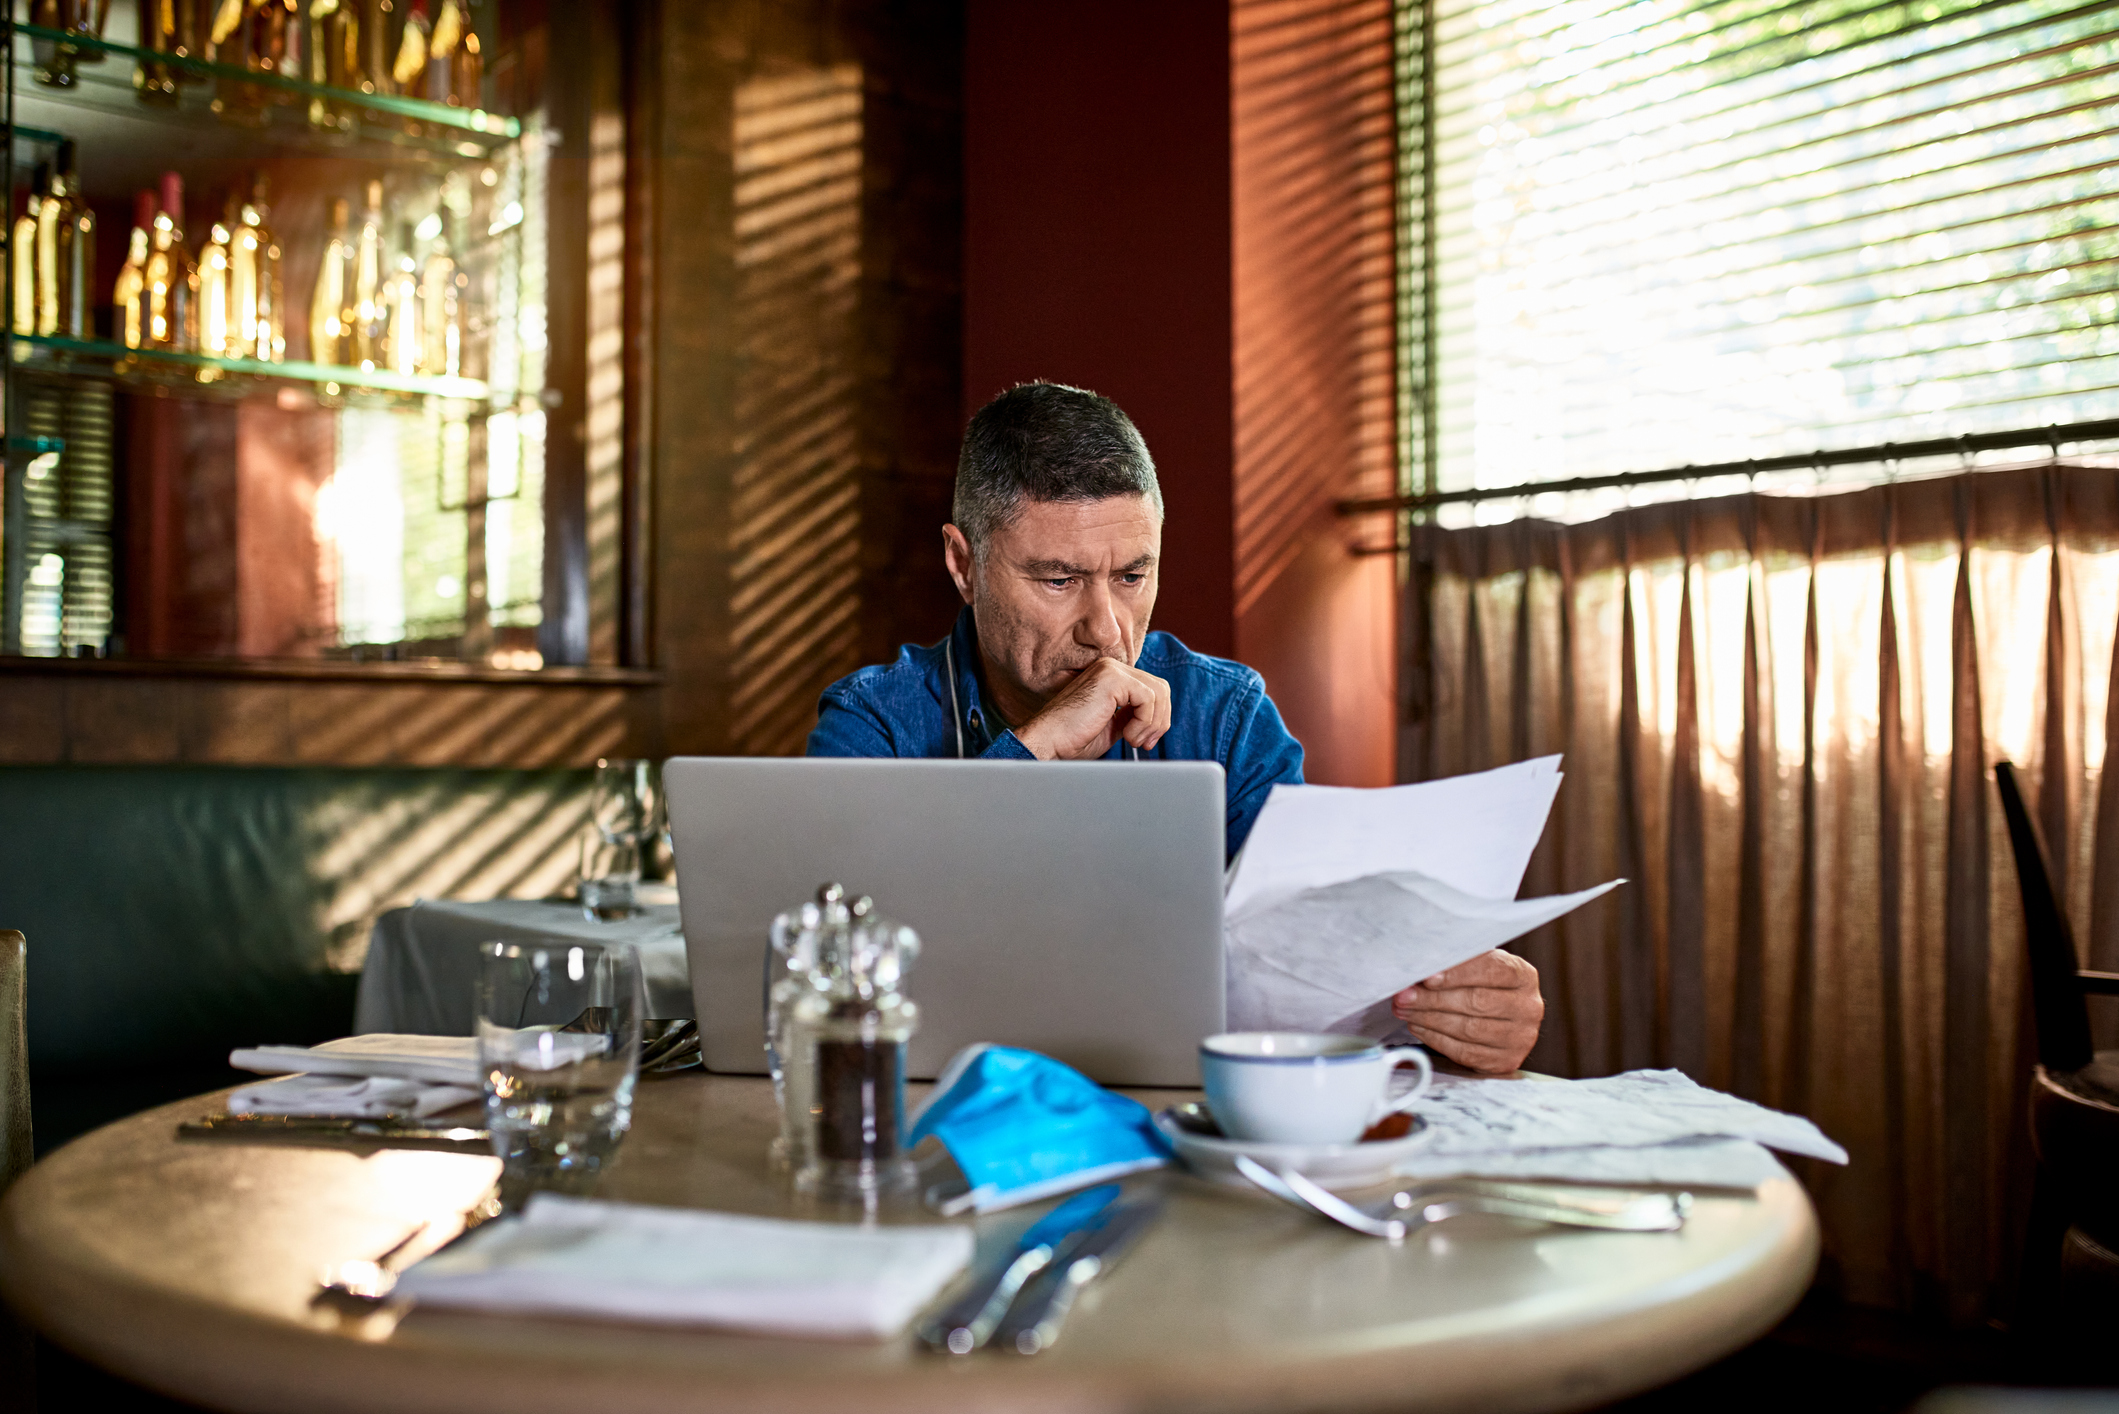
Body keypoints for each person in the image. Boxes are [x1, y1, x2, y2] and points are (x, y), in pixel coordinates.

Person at [807, 381, 1544, 1074]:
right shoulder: (873, 720)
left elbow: (1304, 968)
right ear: (964, 565)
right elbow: (831, 973)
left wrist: (1461, 1011)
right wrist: (1038, 749)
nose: (1106, 630)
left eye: (1132, 576)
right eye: (1058, 580)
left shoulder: (1223, 715)